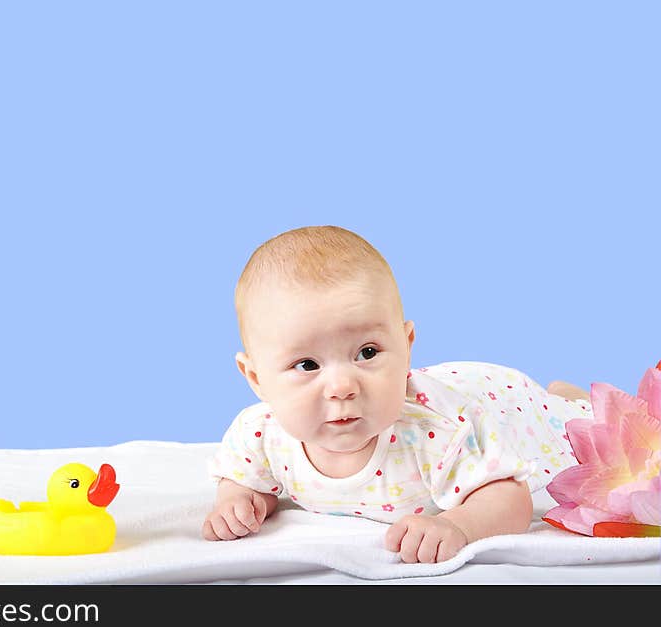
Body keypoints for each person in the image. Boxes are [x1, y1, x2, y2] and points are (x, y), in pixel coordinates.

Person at [203, 225, 592, 563]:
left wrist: (458, 525)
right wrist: (237, 501)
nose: (342, 387)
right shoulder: (260, 433)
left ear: (406, 346)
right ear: (256, 378)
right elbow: (246, 479)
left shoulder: (437, 434)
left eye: (367, 353)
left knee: (576, 427)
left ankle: (567, 399)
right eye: (307, 365)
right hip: (455, 387)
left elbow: (511, 498)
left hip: (498, 400)